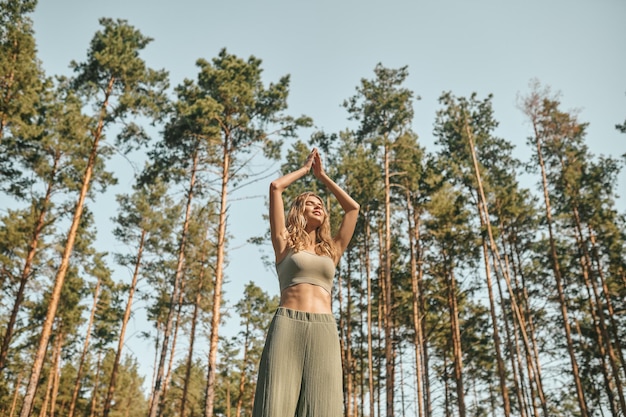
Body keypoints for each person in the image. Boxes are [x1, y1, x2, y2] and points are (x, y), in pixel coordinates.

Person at [252, 148, 360, 417]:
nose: (318, 205)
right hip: (287, 326)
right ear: (299, 211)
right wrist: (305, 170)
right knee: (273, 406)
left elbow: (353, 208)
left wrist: (323, 177)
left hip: (324, 330)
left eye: (321, 203)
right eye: (311, 203)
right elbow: (275, 187)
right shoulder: (284, 244)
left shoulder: (331, 250)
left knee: (323, 409)